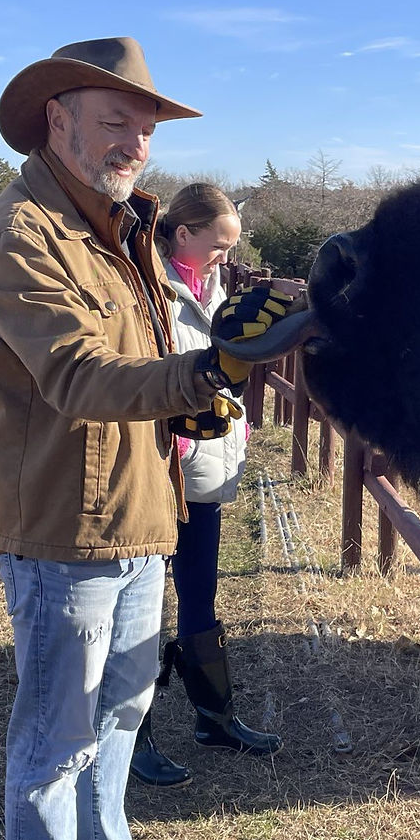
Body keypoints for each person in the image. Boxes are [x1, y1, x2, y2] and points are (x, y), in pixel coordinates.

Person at [0, 37, 289, 840]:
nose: (135, 145)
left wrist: (191, 398)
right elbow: (74, 374)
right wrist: (212, 368)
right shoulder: (18, 234)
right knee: (55, 745)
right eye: (116, 123)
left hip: (144, 509)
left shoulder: (123, 226)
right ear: (55, 120)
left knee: (120, 716)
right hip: (64, 525)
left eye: (144, 130)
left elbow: (141, 358)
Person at [129, 184, 282, 789]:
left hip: (204, 474)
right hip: (158, 474)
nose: (225, 257)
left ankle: (213, 717)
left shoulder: (212, 290)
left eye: (230, 247)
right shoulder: (148, 292)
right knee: (140, 610)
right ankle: (131, 738)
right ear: (182, 235)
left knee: (199, 598)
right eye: (218, 245)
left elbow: (227, 377)